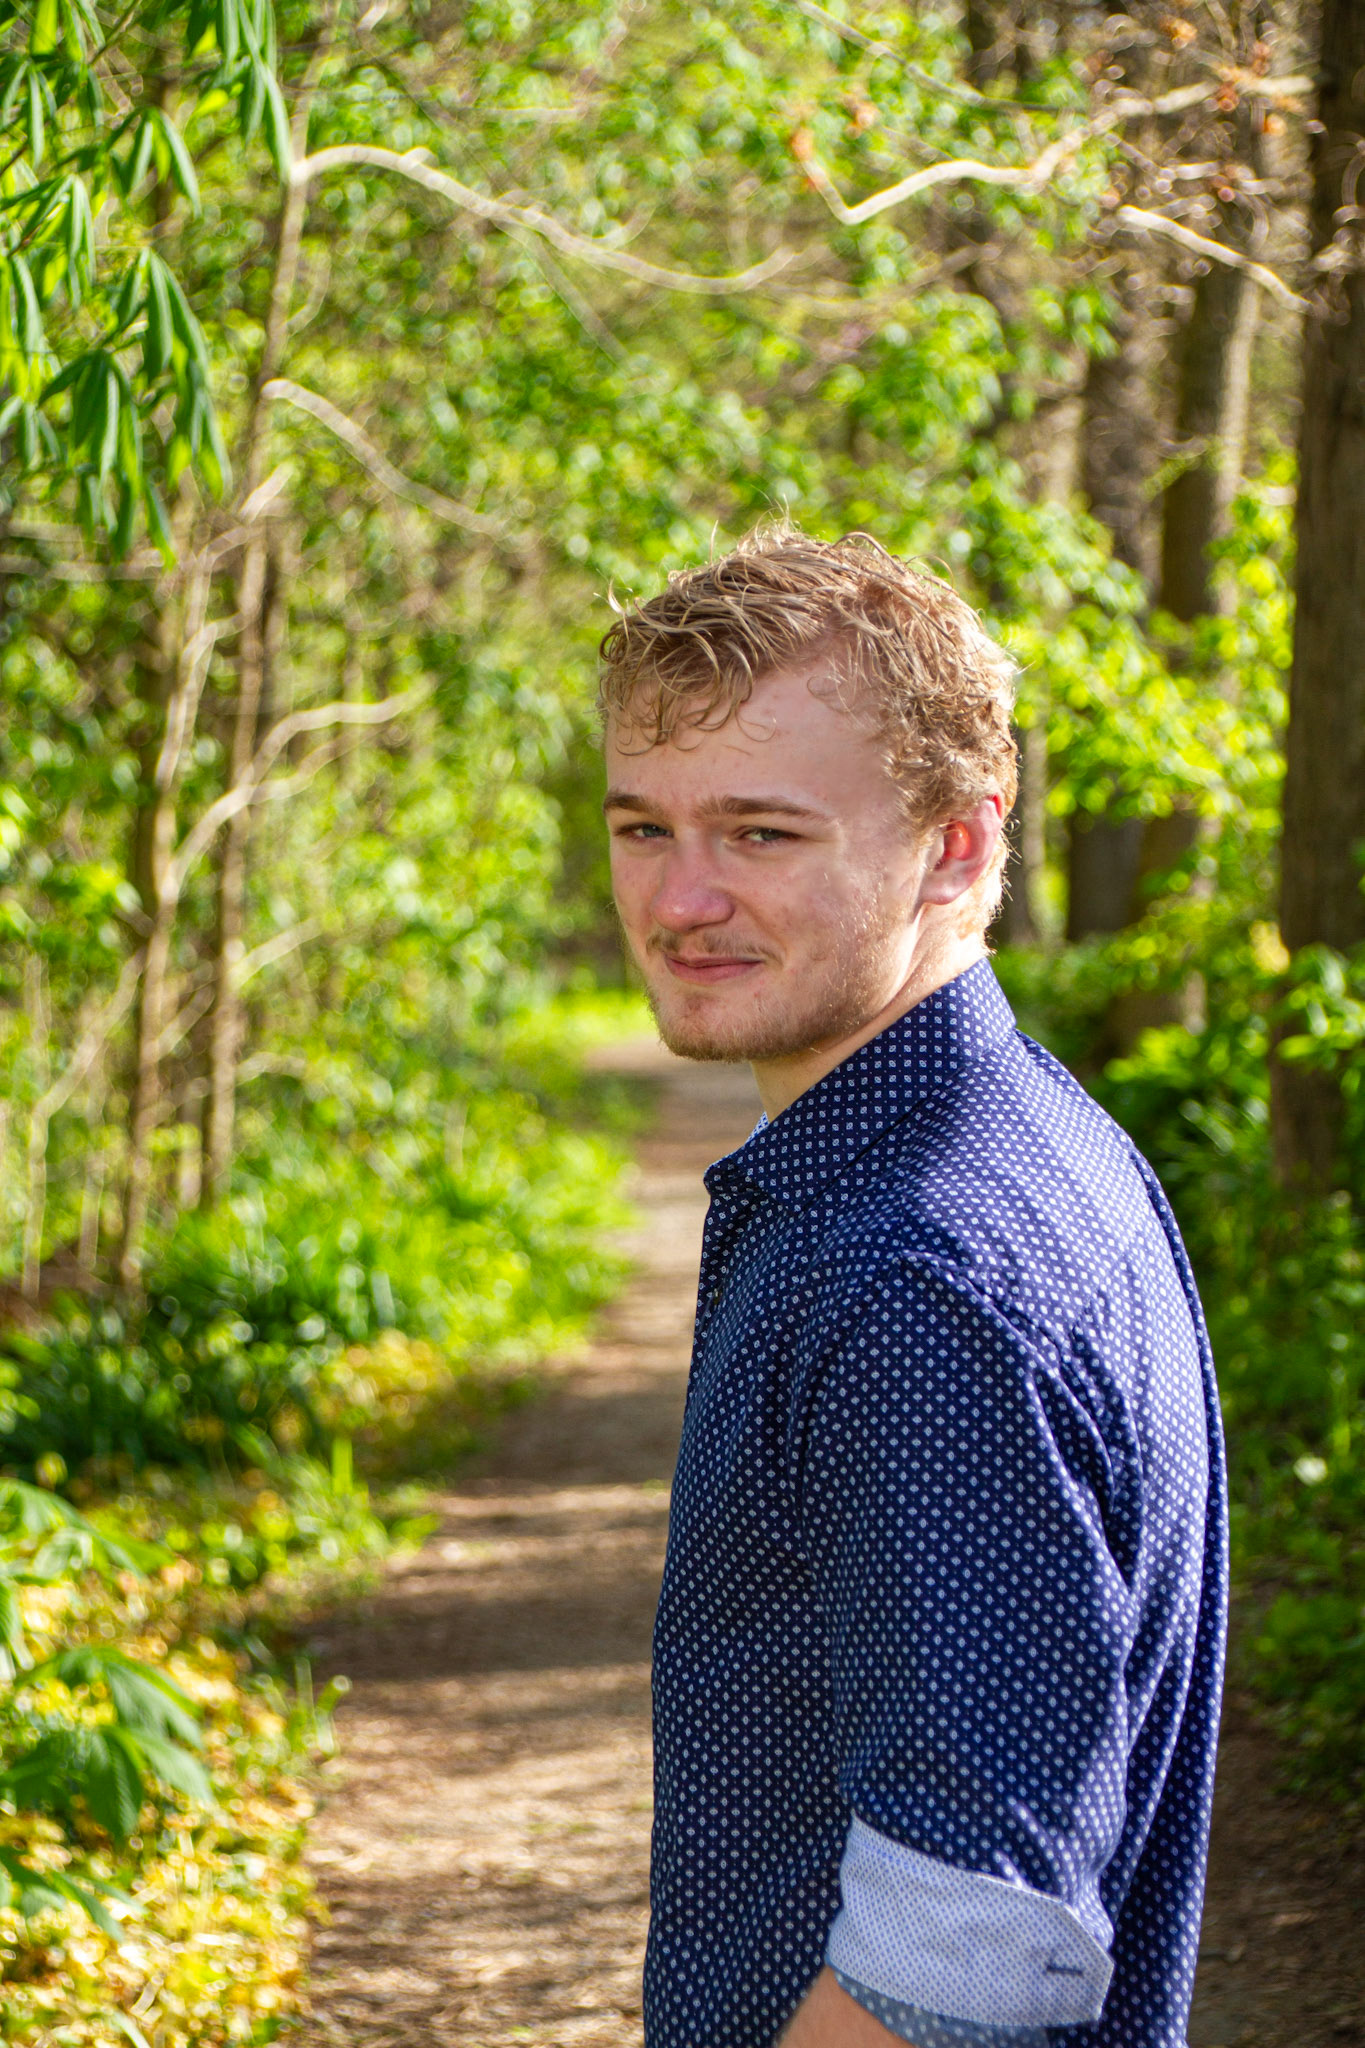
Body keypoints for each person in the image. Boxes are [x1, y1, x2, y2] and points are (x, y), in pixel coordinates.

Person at [598, 527, 1227, 2048]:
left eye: (761, 834)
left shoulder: (916, 1279)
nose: (680, 900)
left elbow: (965, 1956)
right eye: (643, 827)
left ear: (954, 846)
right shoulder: (1018, 1140)